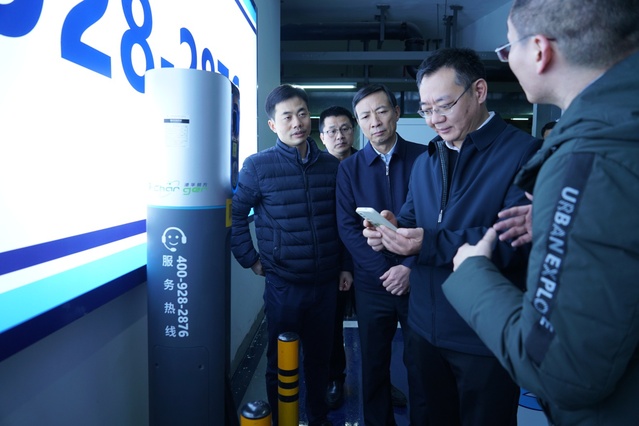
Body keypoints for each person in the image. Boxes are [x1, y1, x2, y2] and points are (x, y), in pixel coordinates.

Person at [442, 1, 639, 424]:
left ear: (538, 51)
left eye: (507, 47)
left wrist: (472, 273)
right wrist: (565, 223)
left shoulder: (588, 160)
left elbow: (561, 369)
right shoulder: (618, 131)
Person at [363, 48, 542, 425]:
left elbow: (512, 241)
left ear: (479, 91)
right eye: (426, 109)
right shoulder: (428, 160)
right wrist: (391, 228)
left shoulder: (525, 154)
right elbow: (412, 217)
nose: (434, 119)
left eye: (443, 106)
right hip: (423, 330)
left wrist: (426, 242)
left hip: (483, 333)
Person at [231, 84, 351, 426]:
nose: (297, 122)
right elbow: (235, 215)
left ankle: (318, 418)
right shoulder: (257, 167)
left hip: (325, 283)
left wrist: (345, 266)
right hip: (283, 285)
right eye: (287, 116)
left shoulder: (331, 166)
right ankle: (283, 420)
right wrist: (250, 259)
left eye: (302, 113)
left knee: (320, 360)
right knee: (279, 361)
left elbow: (343, 220)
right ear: (273, 125)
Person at [336, 84, 426, 425]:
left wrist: (409, 268)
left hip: (418, 279)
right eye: (365, 116)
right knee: (373, 365)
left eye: (382, 111)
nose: (375, 121)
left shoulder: (425, 158)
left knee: (422, 364)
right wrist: (384, 272)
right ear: (358, 123)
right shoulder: (350, 168)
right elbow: (348, 228)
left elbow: (436, 219)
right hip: (373, 284)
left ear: (397, 112)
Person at [318, 105, 357, 410]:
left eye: (345, 129)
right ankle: (334, 378)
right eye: (332, 131)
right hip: (332, 262)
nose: (339, 136)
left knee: (377, 326)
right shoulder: (317, 169)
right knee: (331, 326)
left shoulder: (366, 163)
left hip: (368, 259)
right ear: (322, 136)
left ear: (353, 131)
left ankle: (382, 382)